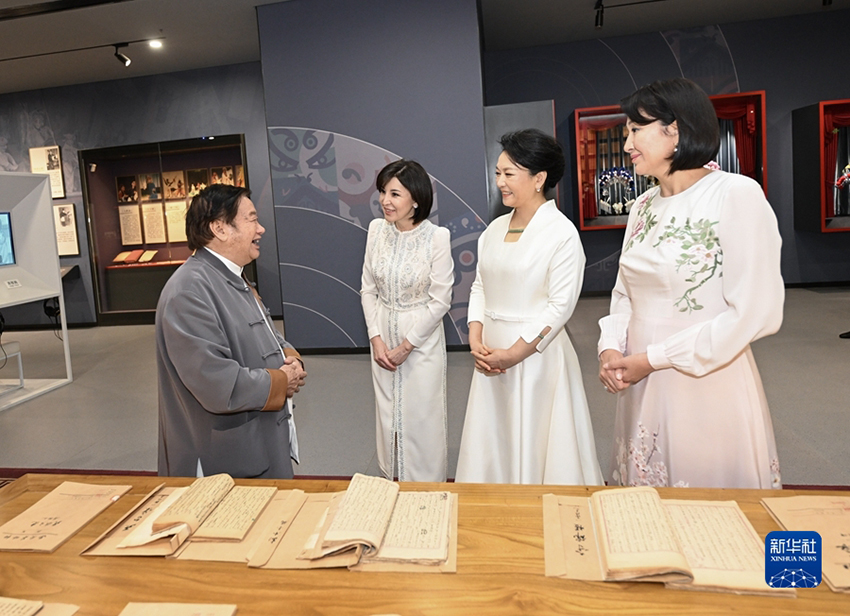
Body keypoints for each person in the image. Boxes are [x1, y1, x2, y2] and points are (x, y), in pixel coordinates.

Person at [598, 78, 784, 489]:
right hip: (639, 375)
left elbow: (756, 312)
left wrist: (655, 358)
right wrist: (611, 347)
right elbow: (624, 290)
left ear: (676, 129)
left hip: (704, 376)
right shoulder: (643, 205)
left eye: (635, 129)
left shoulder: (735, 194)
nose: (627, 143)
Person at [455, 129, 603, 485]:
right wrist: (476, 337)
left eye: (509, 174)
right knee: (496, 440)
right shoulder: (493, 229)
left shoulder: (561, 233)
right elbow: (479, 285)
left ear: (539, 179)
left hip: (535, 357)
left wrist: (514, 354)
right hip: (491, 354)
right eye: (498, 173)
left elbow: (559, 307)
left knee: (539, 444)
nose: (500, 182)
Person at [156, 184, 307, 478]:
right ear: (220, 228)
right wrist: (281, 381)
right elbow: (215, 382)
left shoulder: (230, 276)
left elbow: (266, 333)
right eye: (252, 219)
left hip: (257, 442)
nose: (261, 229)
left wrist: (292, 360)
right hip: (222, 463)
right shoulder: (188, 292)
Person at [360, 159, 453, 481]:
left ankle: (426, 487)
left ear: (416, 198)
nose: (385, 200)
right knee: (387, 413)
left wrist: (407, 345)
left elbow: (441, 300)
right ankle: (391, 480)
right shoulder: (376, 230)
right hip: (383, 334)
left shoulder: (436, 237)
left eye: (395, 194)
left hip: (421, 337)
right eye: (383, 192)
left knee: (422, 415)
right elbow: (367, 289)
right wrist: (376, 338)